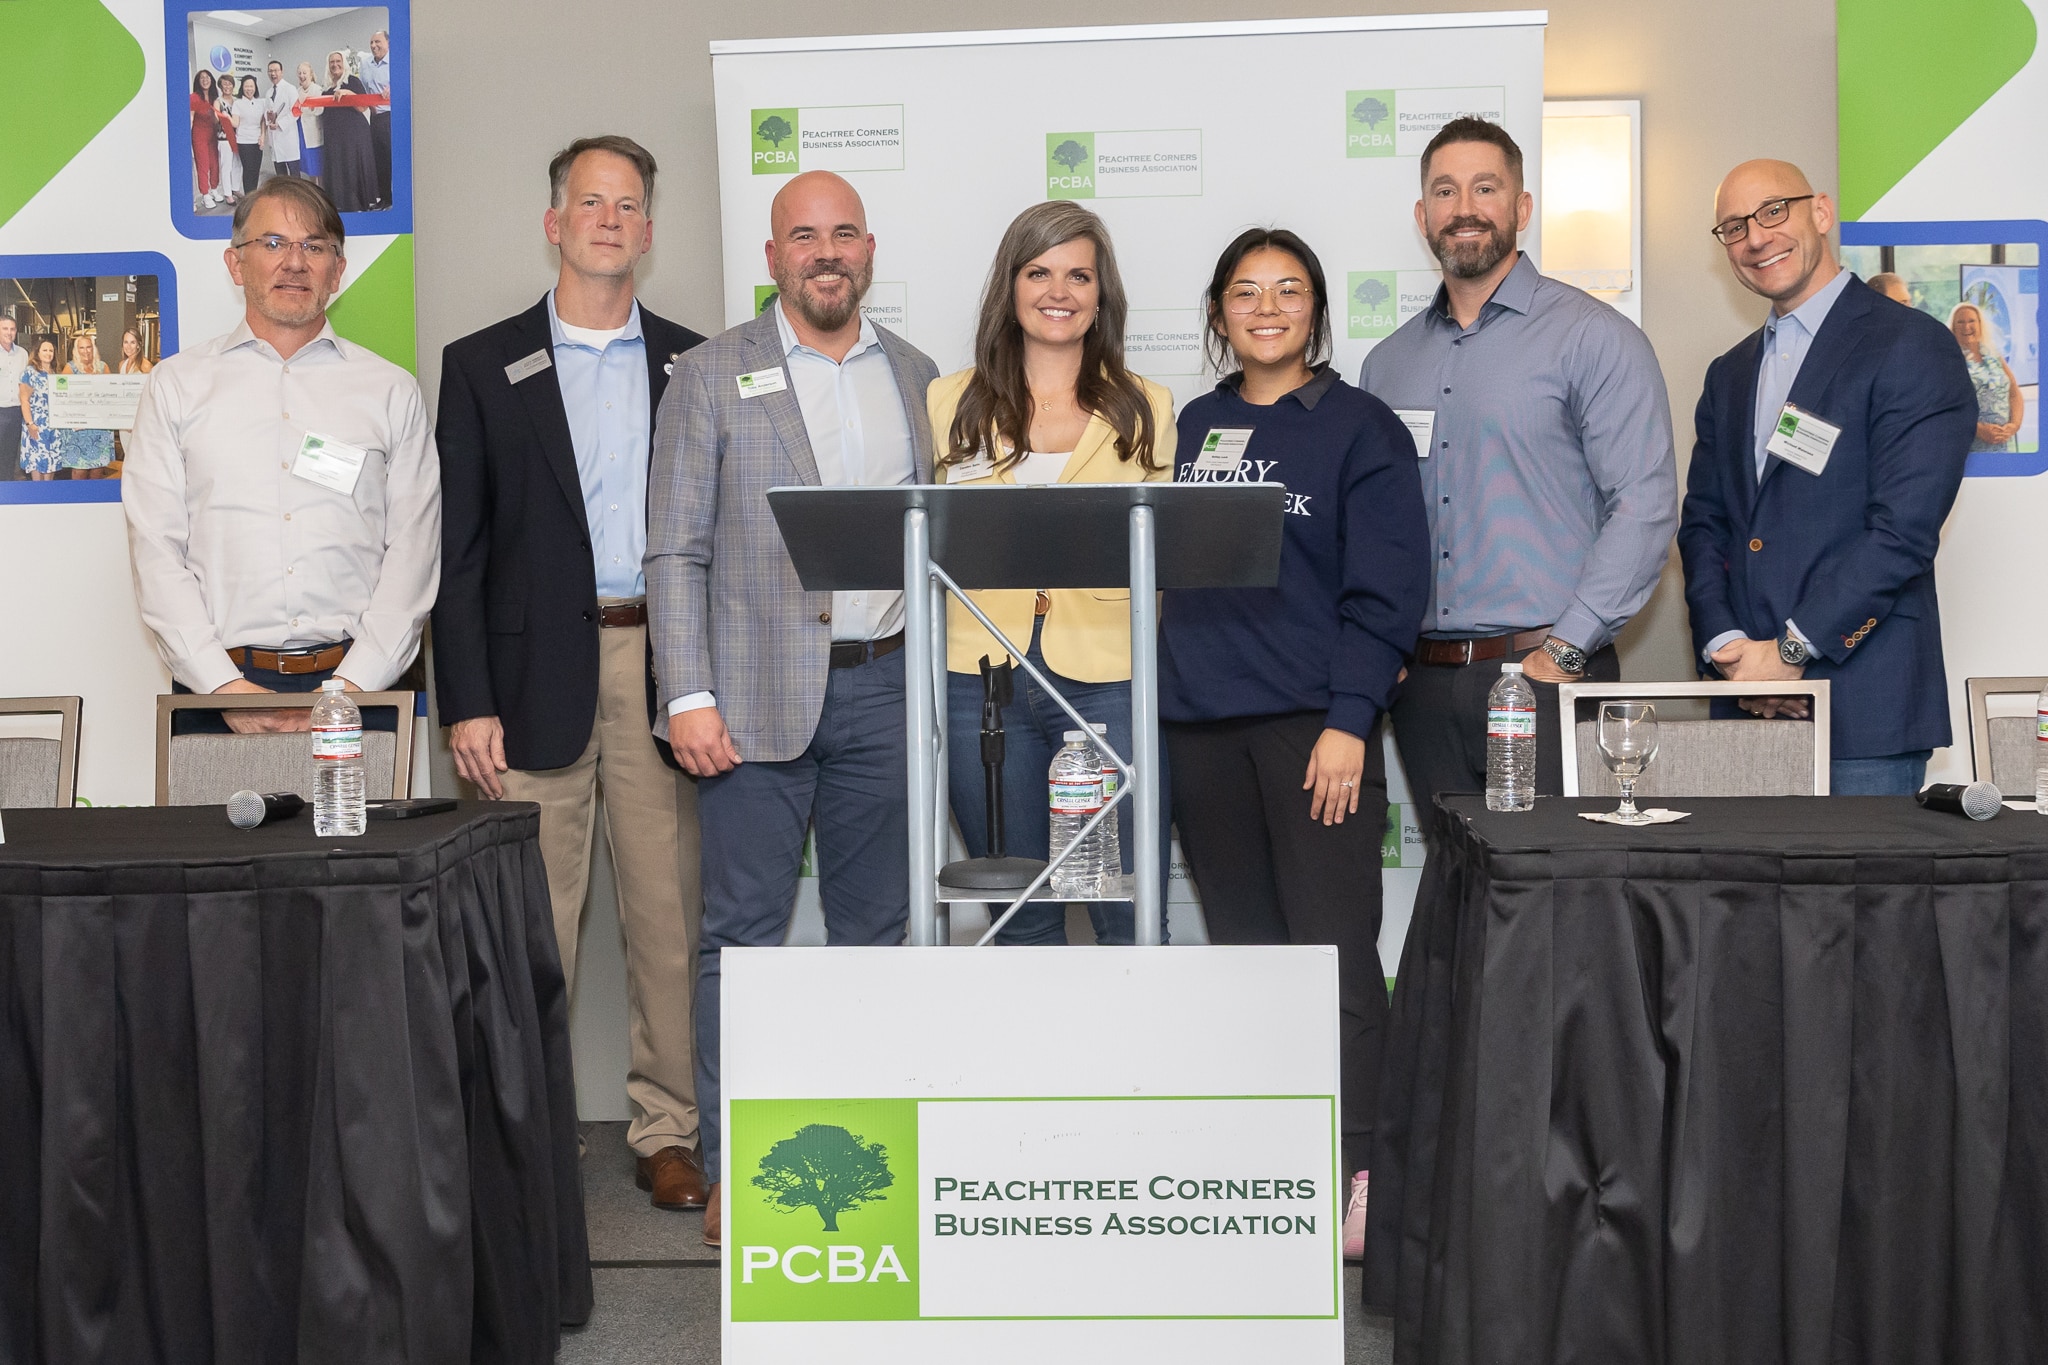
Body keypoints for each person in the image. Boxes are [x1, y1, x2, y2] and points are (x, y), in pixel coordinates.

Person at [646, 169, 937, 1248]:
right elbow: (674, 549)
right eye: (802, 235)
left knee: (876, 935)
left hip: (889, 692)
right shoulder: (709, 375)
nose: (826, 252)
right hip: (748, 708)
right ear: (771, 256)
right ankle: (734, 1169)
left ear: (870, 249)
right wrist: (687, 694)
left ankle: (867, 1155)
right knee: (742, 947)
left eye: (844, 233)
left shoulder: (913, 375)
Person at [435, 136, 710, 1212]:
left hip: (663, 666)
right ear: (554, 223)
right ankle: (525, 1137)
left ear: (647, 230)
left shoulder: (697, 361)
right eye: (589, 202)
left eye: (628, 205)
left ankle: (667, 1131)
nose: (608, 219)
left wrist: (705, 683)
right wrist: (467, 700)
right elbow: (457, 553)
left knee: (666, 916)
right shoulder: (481, 363)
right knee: (527, 926)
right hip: (526, 679)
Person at [1162, 227, 1430, 1257]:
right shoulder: (1194, 425)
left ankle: (1358, 1176)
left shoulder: (1360, 428)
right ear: (1219, 312)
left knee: (1331, 957)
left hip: (1309, 732)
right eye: (1243, 291)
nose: (1265, 308)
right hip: (1197, 730)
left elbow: (1386, 591)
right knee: (1248, 962)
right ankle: (1277, 1162)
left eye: (1286, 290)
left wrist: (1347, 722)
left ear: (1315, 309)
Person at [1358, 117, 1677, 811]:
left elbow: (1645, 507)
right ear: (1423, 216)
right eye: (1445, 191)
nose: (1464, 207)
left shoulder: (1594, 338)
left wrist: (1563, 654)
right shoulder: (1387, 365)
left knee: (1566, 896)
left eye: (1485, 187)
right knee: (1460, 894)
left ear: (1522, 208)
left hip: (1548, 674)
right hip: (1424, 687)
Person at [1678, 159, 1975, 795]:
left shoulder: (1911, 345)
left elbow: (1903, 532)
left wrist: (1790, 654)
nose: (1755, 237)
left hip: (1863, 714)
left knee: (1863, 899)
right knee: (1741, 898)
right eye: (1733, 227)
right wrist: (1732, 651)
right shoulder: (1728, 374)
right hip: (1746, 712)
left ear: (1820, 211)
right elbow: (1704, 524)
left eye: (1772, 212)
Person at [928, 201, 1175, 945]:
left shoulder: (1148, 407)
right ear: (1010, 285)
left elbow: (1163, 563)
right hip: (980, 677)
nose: (1057, 290)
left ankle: (1133, 1063)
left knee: (1124, 904)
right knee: (1016, 909)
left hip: (1107, 674)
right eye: (1038, 272)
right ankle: (1031, 1064)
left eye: (1078, 274)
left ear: (1102, 295)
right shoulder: (948, 401)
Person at [122, 176, 439, 735]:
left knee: (363, 829)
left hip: (362, 690)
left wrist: (352, 689)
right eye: (272, 244)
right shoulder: (176, 386)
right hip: (214, 694)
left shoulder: (390, 390)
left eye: (313, 246)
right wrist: (223, 687)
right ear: (235, 263)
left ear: (337, 270)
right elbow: (156, 551)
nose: (293, 263)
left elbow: (413, 552)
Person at [1951, 302, 2025, 453]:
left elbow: (2014, 393)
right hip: (1969, 445)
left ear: (1980, 324)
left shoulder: (1994, 355)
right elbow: (1948, 405)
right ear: (1953, 328)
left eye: (1971, 321)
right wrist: (1978, 430)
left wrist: (2014, 425)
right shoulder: (1950, 361)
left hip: (2002, 444)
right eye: (1961, 322)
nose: (1967, 327)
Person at [318, 51, 377, 213]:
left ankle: (356, 205)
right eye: (332, 62)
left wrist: (348, 94)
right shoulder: (326, 88)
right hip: (334, 138)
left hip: (353, 137)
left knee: (351, 168)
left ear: (344, 63)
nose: (335, 64)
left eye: (338, 61)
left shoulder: (353, 81)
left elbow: (362, 107)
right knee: (337, 169)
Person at [57, 335, 114, 479]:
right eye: (81, 347)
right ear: (76, 350)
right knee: (79, 470)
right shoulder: (70, 368)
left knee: (98, 469)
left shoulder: (103, 366)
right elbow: (60, 394)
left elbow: (111, 393)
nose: (86, 351)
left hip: (99, 427)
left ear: (93, 348)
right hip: (79, 429)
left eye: (88, 347)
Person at [17, 338, 60, 481]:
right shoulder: (29, 373)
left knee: (50, 463)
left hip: (53, 427)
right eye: (45, 350)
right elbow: (24, 400)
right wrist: (30, 424)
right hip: (36, 425)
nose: (48, 353)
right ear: (37, 353)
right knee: (36, 463)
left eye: (51, 350)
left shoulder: (55, 373)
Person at [361, 30, 393, 208]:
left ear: (388, 43)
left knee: (392, 159)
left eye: (377, 42)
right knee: (378, 160)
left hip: (391, 117)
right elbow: (364, 89)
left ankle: (397, 199)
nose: (374, 46)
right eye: (371, 43)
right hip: (374, 119)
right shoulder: (365, 65)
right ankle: (385, 199)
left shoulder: (396, 63)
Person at [190, 70, 222, 209]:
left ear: (211, 80)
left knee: (215, 163)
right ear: (198, 81)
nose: (205, 80)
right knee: (203, 164)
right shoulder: (194, 97)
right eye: (201, 78)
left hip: (213, 135)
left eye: (207, 77)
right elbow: (190, 118)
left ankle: (214, 189)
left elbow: (216, 120)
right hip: (199, 134)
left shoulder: (215, 97)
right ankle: (205, 194)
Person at [264, 60, 302, 178]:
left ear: (282, 72)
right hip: (275, 139)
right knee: (281, 176)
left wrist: (280, 124)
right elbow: (266, 112)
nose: (273, 74)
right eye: (270, 71)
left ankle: (296, 196)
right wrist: (269, 120)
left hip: (288, 137)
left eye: (275, 71)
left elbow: (296, 112)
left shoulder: (290, 89)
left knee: (294, 175)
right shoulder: (269, 92)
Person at [0, 315, 26, 483]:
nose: (9, 333)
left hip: (16, 411)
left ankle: (6, 491)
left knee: (10, 455)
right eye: (5, 329)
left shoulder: (23, 354)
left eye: (12, 329)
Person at [232, 75, 265, 195]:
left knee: (256, 170)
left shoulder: (261, 103)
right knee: (248, 170)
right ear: (242, 87)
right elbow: (235, 123)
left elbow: (263, 121)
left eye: (251, 86)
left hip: (257, 141)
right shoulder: (238, 103)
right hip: (243, 141)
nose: (249, 89)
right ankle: (248, 197)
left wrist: (263, 136)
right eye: (246, 86)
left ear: (255, 87)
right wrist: (225, 117)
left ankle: (254, 195)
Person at [295, 60, 324, 184]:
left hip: (314, 133)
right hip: (302, 132)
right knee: (309, 167)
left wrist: (307, 108)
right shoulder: (297, 91)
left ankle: (323, 191)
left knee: (319, 166)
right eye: (300, 73)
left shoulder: (317, 90)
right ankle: (314, 189)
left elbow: (319, 110)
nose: (302, 75)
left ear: (311, 74)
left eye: (304, 73)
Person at [214, 81, 242, 205]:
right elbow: (215, 119)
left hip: (238, 136)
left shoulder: (237, 101)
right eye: (224, 85)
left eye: (229, 84)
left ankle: (235, 188)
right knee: (227, 166)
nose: (227, 87)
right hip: (224, 137)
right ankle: (228, 194)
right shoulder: (218, 101)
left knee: (238, 163)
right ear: (221, 86)